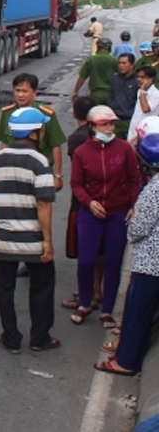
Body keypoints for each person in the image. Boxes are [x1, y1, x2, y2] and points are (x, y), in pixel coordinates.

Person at [0, 108, 60, 354]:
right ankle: (39, 338)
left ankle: (11, 338)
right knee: (42, 287)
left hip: (3, 239)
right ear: (36, 132)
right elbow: (44, 203)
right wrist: (47, 240)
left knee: (5, 289)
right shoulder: (40, 162)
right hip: (33, 239)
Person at [70, 105, 140, 327]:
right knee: (86, 260)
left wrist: (133, 205)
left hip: (118, 213)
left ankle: (107, 309)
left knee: (113, 261)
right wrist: (89, 202)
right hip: (90, 214)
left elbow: (134, 178)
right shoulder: (82, 152)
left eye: (111, 123)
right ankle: (84, 302)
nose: (110, 128)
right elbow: (76, 184)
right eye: (105, 124)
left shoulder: (124, 149)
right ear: (92, 126)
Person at [95, 134, 159, 376]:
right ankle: (129, 356)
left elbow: (140, 227)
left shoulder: (153, 190)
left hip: (150, 262)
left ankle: (126, 361)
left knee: (136, 314)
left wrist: (130, 229)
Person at [62, 96, 103, 310]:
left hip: (82, 200)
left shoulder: (76, 139)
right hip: (103, 198)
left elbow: (78, 172)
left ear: (74, 113)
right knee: (100, 250)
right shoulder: (102, 135)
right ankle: (96, 290)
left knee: (84, 249)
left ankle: (88, 294)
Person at [0, 73, 66, 192]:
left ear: (35, 92)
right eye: (17, 90)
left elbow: (55, 146)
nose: (20, 95)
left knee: (42, 204)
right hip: (15, 169)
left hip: (41, 169)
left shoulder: (46, 114)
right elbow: (5, 143)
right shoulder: (7, 113)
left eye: (25, 91)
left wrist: (57, 176)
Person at [71, 37, 118, 105]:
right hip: (110, 95)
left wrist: (76, 91)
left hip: (95, 95)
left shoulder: (91, 60)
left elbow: (82, 77)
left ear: (98, 47)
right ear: (109, 48)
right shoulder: (115, 60)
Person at [108, 54, 138, 139]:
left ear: (132, 65)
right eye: (120, 63)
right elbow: (110, 95)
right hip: (116, 119)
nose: (121, 66)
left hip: (130, 120)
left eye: (124, 63)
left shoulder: (137, 80)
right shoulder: (115, 78)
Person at [128, 65, 159, 142]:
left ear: (151, 79)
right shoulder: (140, 91)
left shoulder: (156, 94)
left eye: (142, 77)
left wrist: (143, 91)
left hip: (147, 131)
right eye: (138, 77)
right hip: (135, 127)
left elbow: (146, 109)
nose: (139, 79)